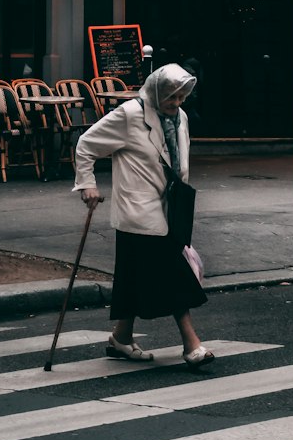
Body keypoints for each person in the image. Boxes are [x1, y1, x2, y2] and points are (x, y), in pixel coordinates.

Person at [74, 61, 213, 370]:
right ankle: (191, 345)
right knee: (174, 273)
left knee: (132, 277)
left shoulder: (181, 117)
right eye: (170, 98)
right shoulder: (129, 115)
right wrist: (87, 184)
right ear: (154, 93)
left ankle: (121, 337)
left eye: (180, 98)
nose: (176, 104)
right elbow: (86, 145)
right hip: (139, 211)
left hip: (171, 209)